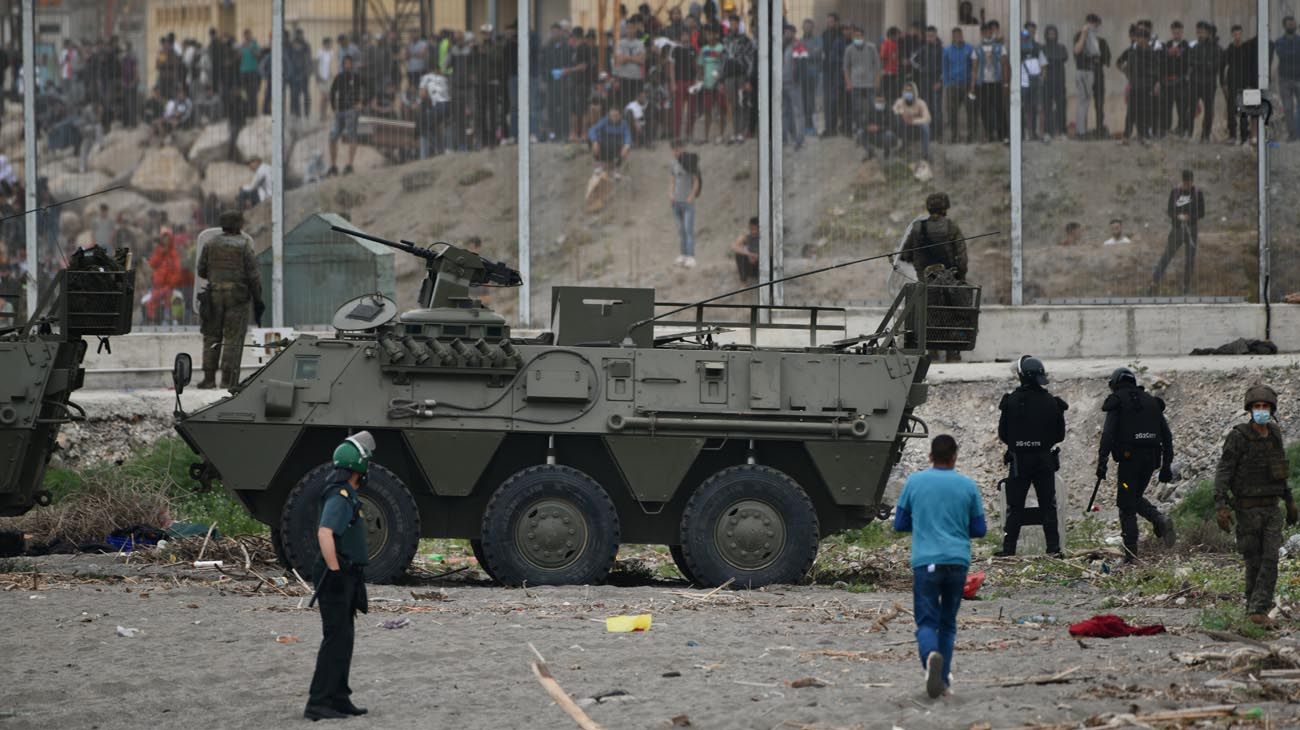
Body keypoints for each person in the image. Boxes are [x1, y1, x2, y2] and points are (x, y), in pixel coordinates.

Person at [893, 434, 986, 699]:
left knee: (925, 622)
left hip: (926, 562)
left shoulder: (915, 482)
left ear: (930, 456)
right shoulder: (967, 485)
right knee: (948, 623)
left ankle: (930, 659)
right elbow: (979, 529)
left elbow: (899, 524)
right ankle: (943, 681)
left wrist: (923, 522)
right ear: (955, 456)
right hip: (957, 563)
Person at [1213, 385, 1299, 627]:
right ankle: (1253, 609)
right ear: (1250, 410)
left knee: (1270, 559)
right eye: (1256, 407)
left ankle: (1258, 609)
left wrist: (1289, 500)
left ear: (1272, 409)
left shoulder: (1274, 434)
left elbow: (1279, 468)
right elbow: (1224, 470)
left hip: (1271, 508)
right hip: (1247, 509)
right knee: (1254, 561)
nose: (1261, 410)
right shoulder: (1238, 436)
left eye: (1265, 407)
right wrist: (1221, 505)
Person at [304, 431, 375, 721]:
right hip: (337, 573)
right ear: (359, 467)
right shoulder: (340, 495)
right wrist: (334, 570)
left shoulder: (344, 493)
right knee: (335, 639)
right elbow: (325, 532)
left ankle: (339, 697)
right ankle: (318, 702)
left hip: (346, 572)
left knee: (344, 638)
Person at [1097, 367, 1176, 562]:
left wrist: (1102, 462)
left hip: (1129, 461)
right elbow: (1167, 436)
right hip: (1151, 461)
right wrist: (1166, 466)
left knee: (1126, 504)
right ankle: (1160, 519)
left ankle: (1131, 555)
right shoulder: (1151, 401)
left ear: (1115, 384)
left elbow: (1107, 435)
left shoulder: (1117, 401)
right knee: (1133, 496)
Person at [995, 356, 1067, 558]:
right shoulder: (1052, 402)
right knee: (1048, 505)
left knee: (1015, 507)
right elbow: (1059, 435)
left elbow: (1003, 434)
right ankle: (1053, 549)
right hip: (1044, 460)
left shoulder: (1011, 401)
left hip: (1020, 461)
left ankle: (1009, 550)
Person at [196, 210, 263, 390]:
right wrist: (258, 298)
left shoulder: (210, 243)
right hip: (237, 298)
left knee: (211, 336)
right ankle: (228, 381)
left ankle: (208, 379)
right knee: (233, 339)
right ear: (239, 225)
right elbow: (253, 276)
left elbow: (201, 270)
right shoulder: (244, 245)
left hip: (213, 297)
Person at [898, 192, 968, 362]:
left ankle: (933, 352)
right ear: (946, 208)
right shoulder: (951, 227)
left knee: (929, 314)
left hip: (926, 283)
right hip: (950, 283)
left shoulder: (917, 228)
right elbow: (962, 257)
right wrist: (960, 277)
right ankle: (952, 353)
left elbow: (905, 255)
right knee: (952, 314)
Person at [1152, 169, 1205, 295]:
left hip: (1191, 230)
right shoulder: (1175, 192)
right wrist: (1178, 216)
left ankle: (1186, 286)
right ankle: (1154, 282)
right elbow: (1170, 211)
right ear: (1182, 181)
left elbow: (1202, 212)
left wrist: (1189, 217)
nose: (1187, 185)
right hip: (1177, 230)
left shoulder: (1197, 193)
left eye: (1189, 182)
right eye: (1185, 182)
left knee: (1190, 259)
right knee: (1167, 256)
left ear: (1192, 181)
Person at [327, 55, 367, 176]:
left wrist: (362, 103)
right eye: (345, 63)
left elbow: (369, 88)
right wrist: (334, 107)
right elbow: (332, 92)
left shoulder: (356, 77)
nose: (347, 65)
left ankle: (349, 164)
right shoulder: (339, 77)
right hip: (340, 111)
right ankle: (333, 166)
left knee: (351, 135)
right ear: (343, 65)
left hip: (352, 110)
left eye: (349, 63)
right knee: (332, 137)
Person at [1073, 14, 1111, 139]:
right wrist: (1084, 35)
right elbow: (1077, 51)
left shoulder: (1101, 41)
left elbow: (1107, 59)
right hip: (1085, 72)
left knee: (1099, 103)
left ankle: (1099, 129)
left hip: (1098, 74)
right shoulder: (1079, 35)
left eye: (1096, 24)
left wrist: (1098, 58)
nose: (1094, 26)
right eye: (1091, 23)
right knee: (1084, 102)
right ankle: (1081, 132)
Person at [1223, 25, 1259, 145]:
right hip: (1232, 82)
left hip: (1244, 83)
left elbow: (1250, 66)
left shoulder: (1247, 47)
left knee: (1243, 110)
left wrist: (1249, 84)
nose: (1237, 36)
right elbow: (1225, 67)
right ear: (1232, 35)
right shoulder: (1229, 49)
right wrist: (1225, 84)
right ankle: (1232, 135)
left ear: (1241, 34)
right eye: (1235, 34)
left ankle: (1244, 136)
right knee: (1231, 110)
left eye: (1239, 34)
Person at [1188, 21, 1223, 142]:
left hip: (1209, 84)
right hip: (1195, 83)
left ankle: (1205, 135)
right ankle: (1189, 134)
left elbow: (1215, 67)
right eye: (1198, 32)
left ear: (1208, 33)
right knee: (1191, 109)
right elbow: (1190, 63)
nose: (1199, 35)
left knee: (1209, 111)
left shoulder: (1216, 49)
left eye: (1202, 32)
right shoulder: (1195, 47)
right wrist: (1204, 64)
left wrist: (1200, 65)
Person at [973, 22, 1007, 143]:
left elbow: (1004, 65)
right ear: (982, 33)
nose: (987, 33)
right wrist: (973, 85)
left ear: (991, 32)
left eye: (989, 31)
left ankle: (1003, 134)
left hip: (996, 82)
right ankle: (989, 133)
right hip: (982, 83)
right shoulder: (977, 48)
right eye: (984, 31)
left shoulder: (999, 46)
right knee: (984, 110)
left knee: (999, 108)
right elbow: (974, 68)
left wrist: (1005, 82)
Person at [669, 140, 701, 268]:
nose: (676, 152)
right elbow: (672, 181)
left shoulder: (690, 162)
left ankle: (691, 256)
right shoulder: (673, 164)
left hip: (687, 202)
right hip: (676, 202)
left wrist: (692, 196)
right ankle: (683, 255)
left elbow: (696, 181)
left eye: (678, 149)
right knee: (681, 230)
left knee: (688, 229)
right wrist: (670, 194)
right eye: (674, 150)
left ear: (682, 148)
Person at [842, 27, 879, 137]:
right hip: (855, 83)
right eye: (855, 36)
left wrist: (877, 81)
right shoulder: (849, 49)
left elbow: (877, 66)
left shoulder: (871, 47)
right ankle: (859, 129)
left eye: (860, 36)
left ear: (864, 36)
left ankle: (872, 127)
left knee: (872, 106)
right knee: (856, 108)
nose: (858, 38)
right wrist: (848, 83)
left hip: (870, 83)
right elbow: (845, 68)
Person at [942, 28, 976, 143]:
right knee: (952, 112)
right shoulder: (947, 50)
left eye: (959, 34)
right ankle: (954, 136)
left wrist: (973, 83)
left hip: (967, 85)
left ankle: (971, 136)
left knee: (971, 111)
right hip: (952, 85)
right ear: (952, 36)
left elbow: (974, 67)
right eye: (955, 35)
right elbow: (945, 68)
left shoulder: (969, 48)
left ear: (962, 35)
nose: (958, 37)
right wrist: (947, 83)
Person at [1162, 21, 1191, 137]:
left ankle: (1182, 130)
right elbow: (1162, 61)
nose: (1176, 33)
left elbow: (1189, 63)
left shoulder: (1186, 45)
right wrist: (1168, 54)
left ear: (1182, 31)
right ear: (1172, 31)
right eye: (1174, 31)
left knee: (1182, 107)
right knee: (1167, 107)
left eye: (1178, 31)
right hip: (1168, 82)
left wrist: (1180, 55)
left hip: (1181, 82)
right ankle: (1167, 129)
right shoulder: (1167, 45)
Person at [781, 24, 808, 150]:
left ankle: (799, 139)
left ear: (793, 33)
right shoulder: (781, 46)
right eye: (785, 32)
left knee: (798, 112)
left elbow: (803, 63)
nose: (786, 34)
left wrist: (798, 79)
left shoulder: (798, 46)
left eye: (789, 32)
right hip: (782, 83)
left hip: (794, 83)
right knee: (785, 112)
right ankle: (785, 138)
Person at [821, 13, 848, 137]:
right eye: (828, 21)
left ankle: (836, 128)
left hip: (838, 72)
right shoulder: (825, 34)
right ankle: (829, 128)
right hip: (826, 71)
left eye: (831, 21)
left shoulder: (841, 36)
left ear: (837, 22)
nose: (829, 23)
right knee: (827, 101)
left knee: (835, 101)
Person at [1041, 25, 1069, 140]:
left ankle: (1062, 132)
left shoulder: (1061, 47)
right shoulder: (1043, 48)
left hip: (1060, 82)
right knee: (1047, 108)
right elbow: (1043, 62)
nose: (1052, 35)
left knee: (1061, 108)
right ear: (1046, 35)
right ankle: (1047, 132)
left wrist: (1050, 60)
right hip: (1047, 82)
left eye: (1054, 33)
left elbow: (1064, 57)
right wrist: (1053, 60)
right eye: (1049, 33)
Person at [1276, 16, 1300, 142]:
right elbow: (1283, 55)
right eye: (1289, 24)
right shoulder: (1279, 41)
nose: (1292, 25)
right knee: (1288, 108)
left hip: (1298, 78)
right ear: (1284, 26)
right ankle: (1292, 134)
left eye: (1293, 23)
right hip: (1285, 79)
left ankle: (1298, 132)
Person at [893, 81, 932, 160]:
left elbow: (928, 118)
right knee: (897, 119)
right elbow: (894, 109)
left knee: (925, 126)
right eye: (906, 91)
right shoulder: (899, 101)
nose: (908, 93)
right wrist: (902, 113)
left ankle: (925, 154)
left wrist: (914, 120)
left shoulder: (921, 103)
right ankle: (903, 146)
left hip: (916, 129)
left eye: (910, 91)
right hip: (903, 128)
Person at [589, 106, 633, 172]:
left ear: (620, 115)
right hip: (604, 145)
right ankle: (599, 162)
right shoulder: (604, 121)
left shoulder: (624, 124)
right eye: (611, 116)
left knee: (627, 147)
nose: (613, 118)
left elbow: (628, 136)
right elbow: (592, 130)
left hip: (616, 145)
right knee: (593, 142)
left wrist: (626, 146)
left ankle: (617, 165)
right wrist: (595, 141)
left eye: (616, 115)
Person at [861, 92, 898, 159]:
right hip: (872, 133)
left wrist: (878, 128)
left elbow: (893, 126)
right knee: (860, 132)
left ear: (885, 101)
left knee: (889, 135)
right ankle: (870, 152)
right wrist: (868, 127)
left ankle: (887, 151)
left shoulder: (889, 110)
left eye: (881, 101)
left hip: (884, 133)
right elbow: (864, 123)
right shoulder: (871, 109)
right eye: (878, 101)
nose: (879, 103)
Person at [731, 216, 760, 283]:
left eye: (756, 229)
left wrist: (758, 256)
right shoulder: (746, 236)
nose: (754, 231)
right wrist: (750, 254)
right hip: (750, 265)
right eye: (752, 229)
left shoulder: (764, 236)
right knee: (740, 255)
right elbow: (734, 247)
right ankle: (743, 282)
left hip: (760, 266)